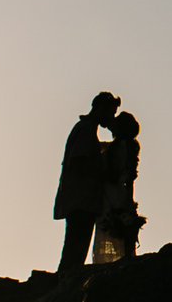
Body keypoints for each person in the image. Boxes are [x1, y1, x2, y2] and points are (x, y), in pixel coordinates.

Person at [53, 92, 119, 275]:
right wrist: (103, 167)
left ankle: (64, 281)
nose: (111, 117)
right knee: (75, 249)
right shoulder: (85, 130)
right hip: (81, 199)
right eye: (111, 113)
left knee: (75, 249)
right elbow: (79, 161)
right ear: (101, 109)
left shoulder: (86, 129)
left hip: (81, 199)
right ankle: (64, 284)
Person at [91, 110, 144, 263]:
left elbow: (112, 173)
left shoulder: (118, 148)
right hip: (121, 195)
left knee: (111, 229)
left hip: (112, 196)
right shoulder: (129, 147)